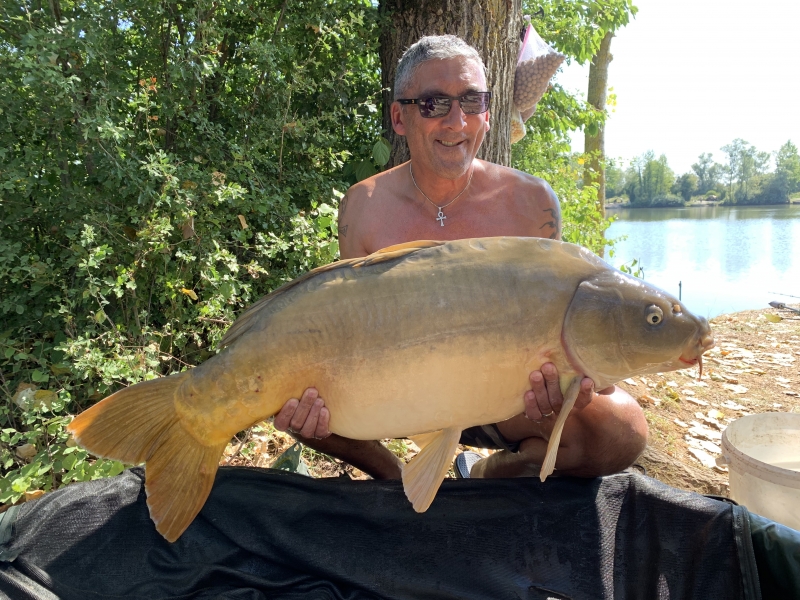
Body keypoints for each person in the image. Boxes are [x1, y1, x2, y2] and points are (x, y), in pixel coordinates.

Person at [272, 35, 647, 480]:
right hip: (403, 393)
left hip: (507, 393)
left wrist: (567, 383)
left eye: (473, 101)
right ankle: (395, 477)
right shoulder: (364, 206)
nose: (457, 121)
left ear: (488, 115)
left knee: (622, 429)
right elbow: (352, 336)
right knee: (289, 397)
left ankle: (494, 473)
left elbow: (563, 333)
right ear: (399, 116)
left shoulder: (533, 202)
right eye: (433, 103)